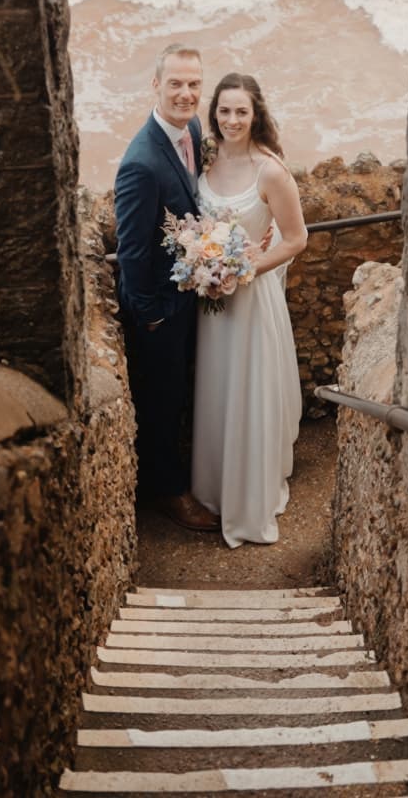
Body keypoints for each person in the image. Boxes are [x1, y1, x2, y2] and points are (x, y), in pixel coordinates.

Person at [191, 73, 307, 547]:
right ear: (214, 113)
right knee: (218, 392)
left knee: (249, 392)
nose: (232, 119)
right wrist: (201, 261)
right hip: (211, 303)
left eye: (241, 111)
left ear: (255, 113)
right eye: (224, 110)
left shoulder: (271, 171)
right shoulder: (205, 156)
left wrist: (252, 267)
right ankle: (217, 488)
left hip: (251, 301)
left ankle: (250, 498)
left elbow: (297, 238)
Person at [114, 44, 220, 532]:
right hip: (159, 309)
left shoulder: (192, 129)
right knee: (160, 398)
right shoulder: (140, 164)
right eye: (175, 83)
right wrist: (151, 316)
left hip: (187, 294)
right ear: (155, 85)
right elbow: (132, 252)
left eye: (194, 84)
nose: (185, 93)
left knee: (180, 391)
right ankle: (168, 492)